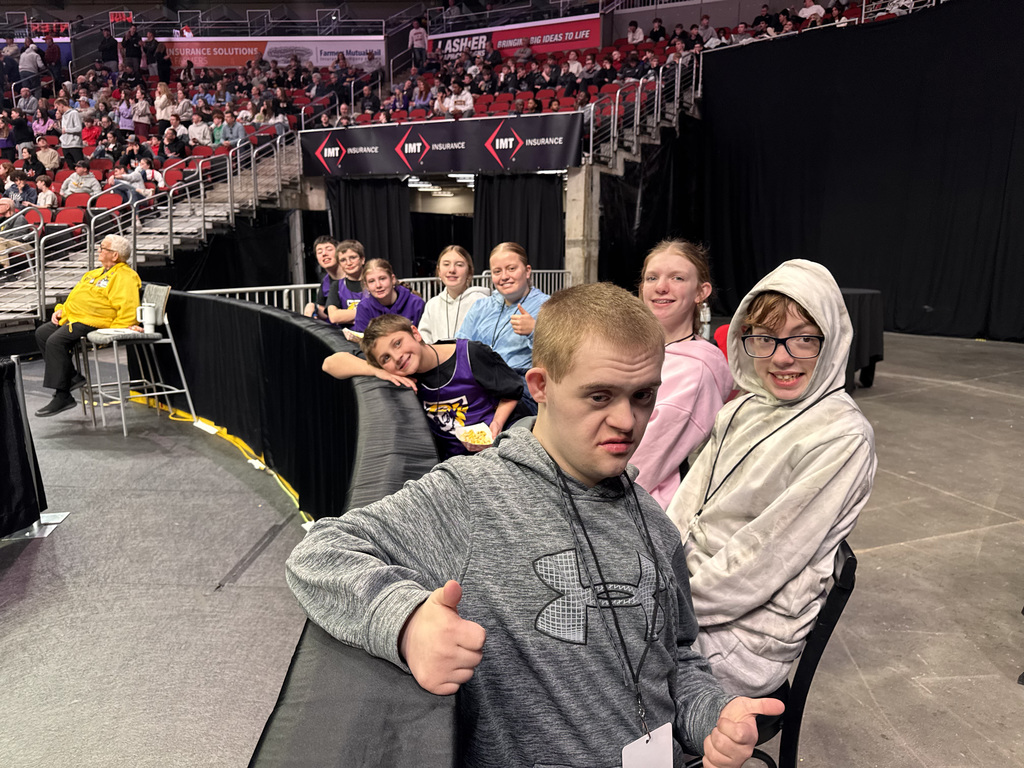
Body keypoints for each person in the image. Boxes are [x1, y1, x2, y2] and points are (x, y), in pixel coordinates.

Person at [287, 281, 784, 768]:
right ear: (540, 386)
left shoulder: (655, 523)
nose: (627, 421)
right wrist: (406, 623)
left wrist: (711, 717)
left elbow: (676, 655)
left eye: (642, 396)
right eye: (599, 396)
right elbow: (319, 551)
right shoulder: (474, 495)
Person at [666, 259, 877, 697]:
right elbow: (688, 501)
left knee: (597, 667)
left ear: (832, 341)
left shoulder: (842, 436)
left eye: (803, 339)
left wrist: (667, 607)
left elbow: (762, 562)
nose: (782, 357)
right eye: (764, 339)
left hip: (744, 634)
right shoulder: (744, 408)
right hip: (690, 590)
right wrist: (654, 569)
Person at [324, 313, 525, 458]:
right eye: (386, 358)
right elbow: (330, 364)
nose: (397, 357)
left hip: (498, 444)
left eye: (398, 343)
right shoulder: (398, 373)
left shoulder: (470, 354)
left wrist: (496, 425)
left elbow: (513, 391)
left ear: (415, 333)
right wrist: (377, 371)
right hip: (454, 460)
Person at [629, 240, 732, 509]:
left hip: (630, 508)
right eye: (652, 277)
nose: (661, 286)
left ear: (701, 291)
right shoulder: (636, 349)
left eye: (677, 277)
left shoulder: (693, 371)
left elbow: (639, 465)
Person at [33, 234, 142, 417]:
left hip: (96, 322)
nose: (98, 251)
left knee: (55, 342)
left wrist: (123, 326)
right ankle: (73, 376)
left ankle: (62, 395)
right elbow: (75, 297)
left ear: (115, 255)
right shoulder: (94, 273)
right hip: (75, 318)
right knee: (42, 333)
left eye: (103, 248)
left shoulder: (125, 276)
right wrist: (62, 310)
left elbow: (129, 305)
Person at [456, 243, 548, 414]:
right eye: (497, 271)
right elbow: (459, 346)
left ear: (527, 271)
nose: (504, 276)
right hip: (478, 384)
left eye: (511, 268)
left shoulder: (546, 307)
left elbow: (560, 355)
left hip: (520, 389)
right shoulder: (481, 306)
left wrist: (536, 331)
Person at [417, 246, 490, 343]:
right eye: (446, 264)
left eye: (459, 265)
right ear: (439, 271)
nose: (452, 270)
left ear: (469, 271)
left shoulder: (482, 302)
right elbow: (424, 342)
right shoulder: (432, 305)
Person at [348, 258, 424, 333]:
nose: (378, 285)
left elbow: (424, 339)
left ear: (393, 279)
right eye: (371, 281)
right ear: (366, 286)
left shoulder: (416, 304)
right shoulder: (364, 308)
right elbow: (363, 341)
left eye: (382, 279)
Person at [303, 236, 345, 321]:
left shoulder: (354, 276)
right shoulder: (325, 282)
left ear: (339, 253)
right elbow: (324, 310)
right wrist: (314, 307)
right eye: (319, 252)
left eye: (329, 249)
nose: (324, 254)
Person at [56, 98, 85, 167]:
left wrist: (66, 130)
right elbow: (63, 131)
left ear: (61, 105)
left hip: (74, 144)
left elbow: (78, 128)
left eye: (57, 107)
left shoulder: (74, 113)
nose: (57, 110)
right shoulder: (63, 115)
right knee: (71, 167)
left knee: (80, 166)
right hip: (65, 145)